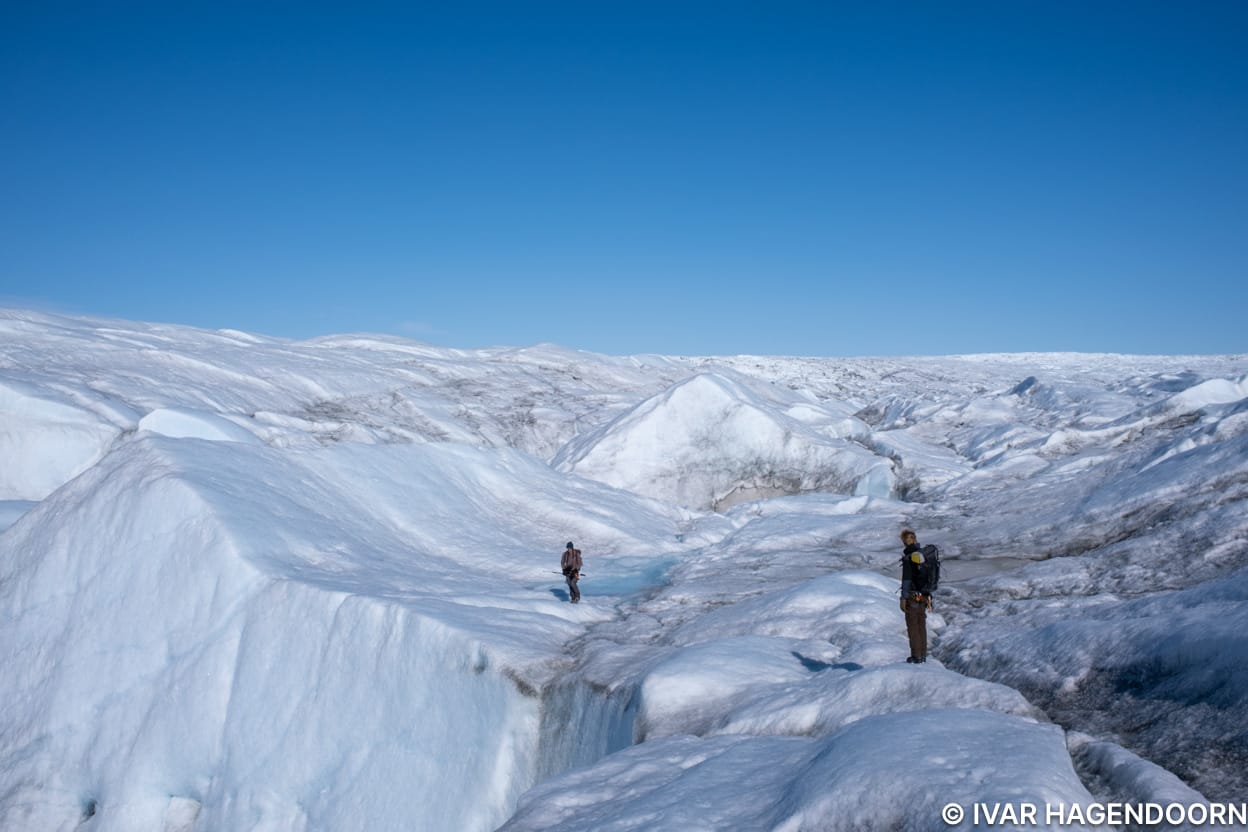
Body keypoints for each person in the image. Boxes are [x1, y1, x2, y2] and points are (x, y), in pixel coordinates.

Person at [899, 529, 934, 663]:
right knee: (921, 625)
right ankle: (923, 655)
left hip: (913, 596)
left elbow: (907, 580)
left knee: (913, 626)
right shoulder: (923, 555)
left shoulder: (909, 557)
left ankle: (916, 656)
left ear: (904, 541)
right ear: (915, 539)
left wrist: (903, 598)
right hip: (924, 595)